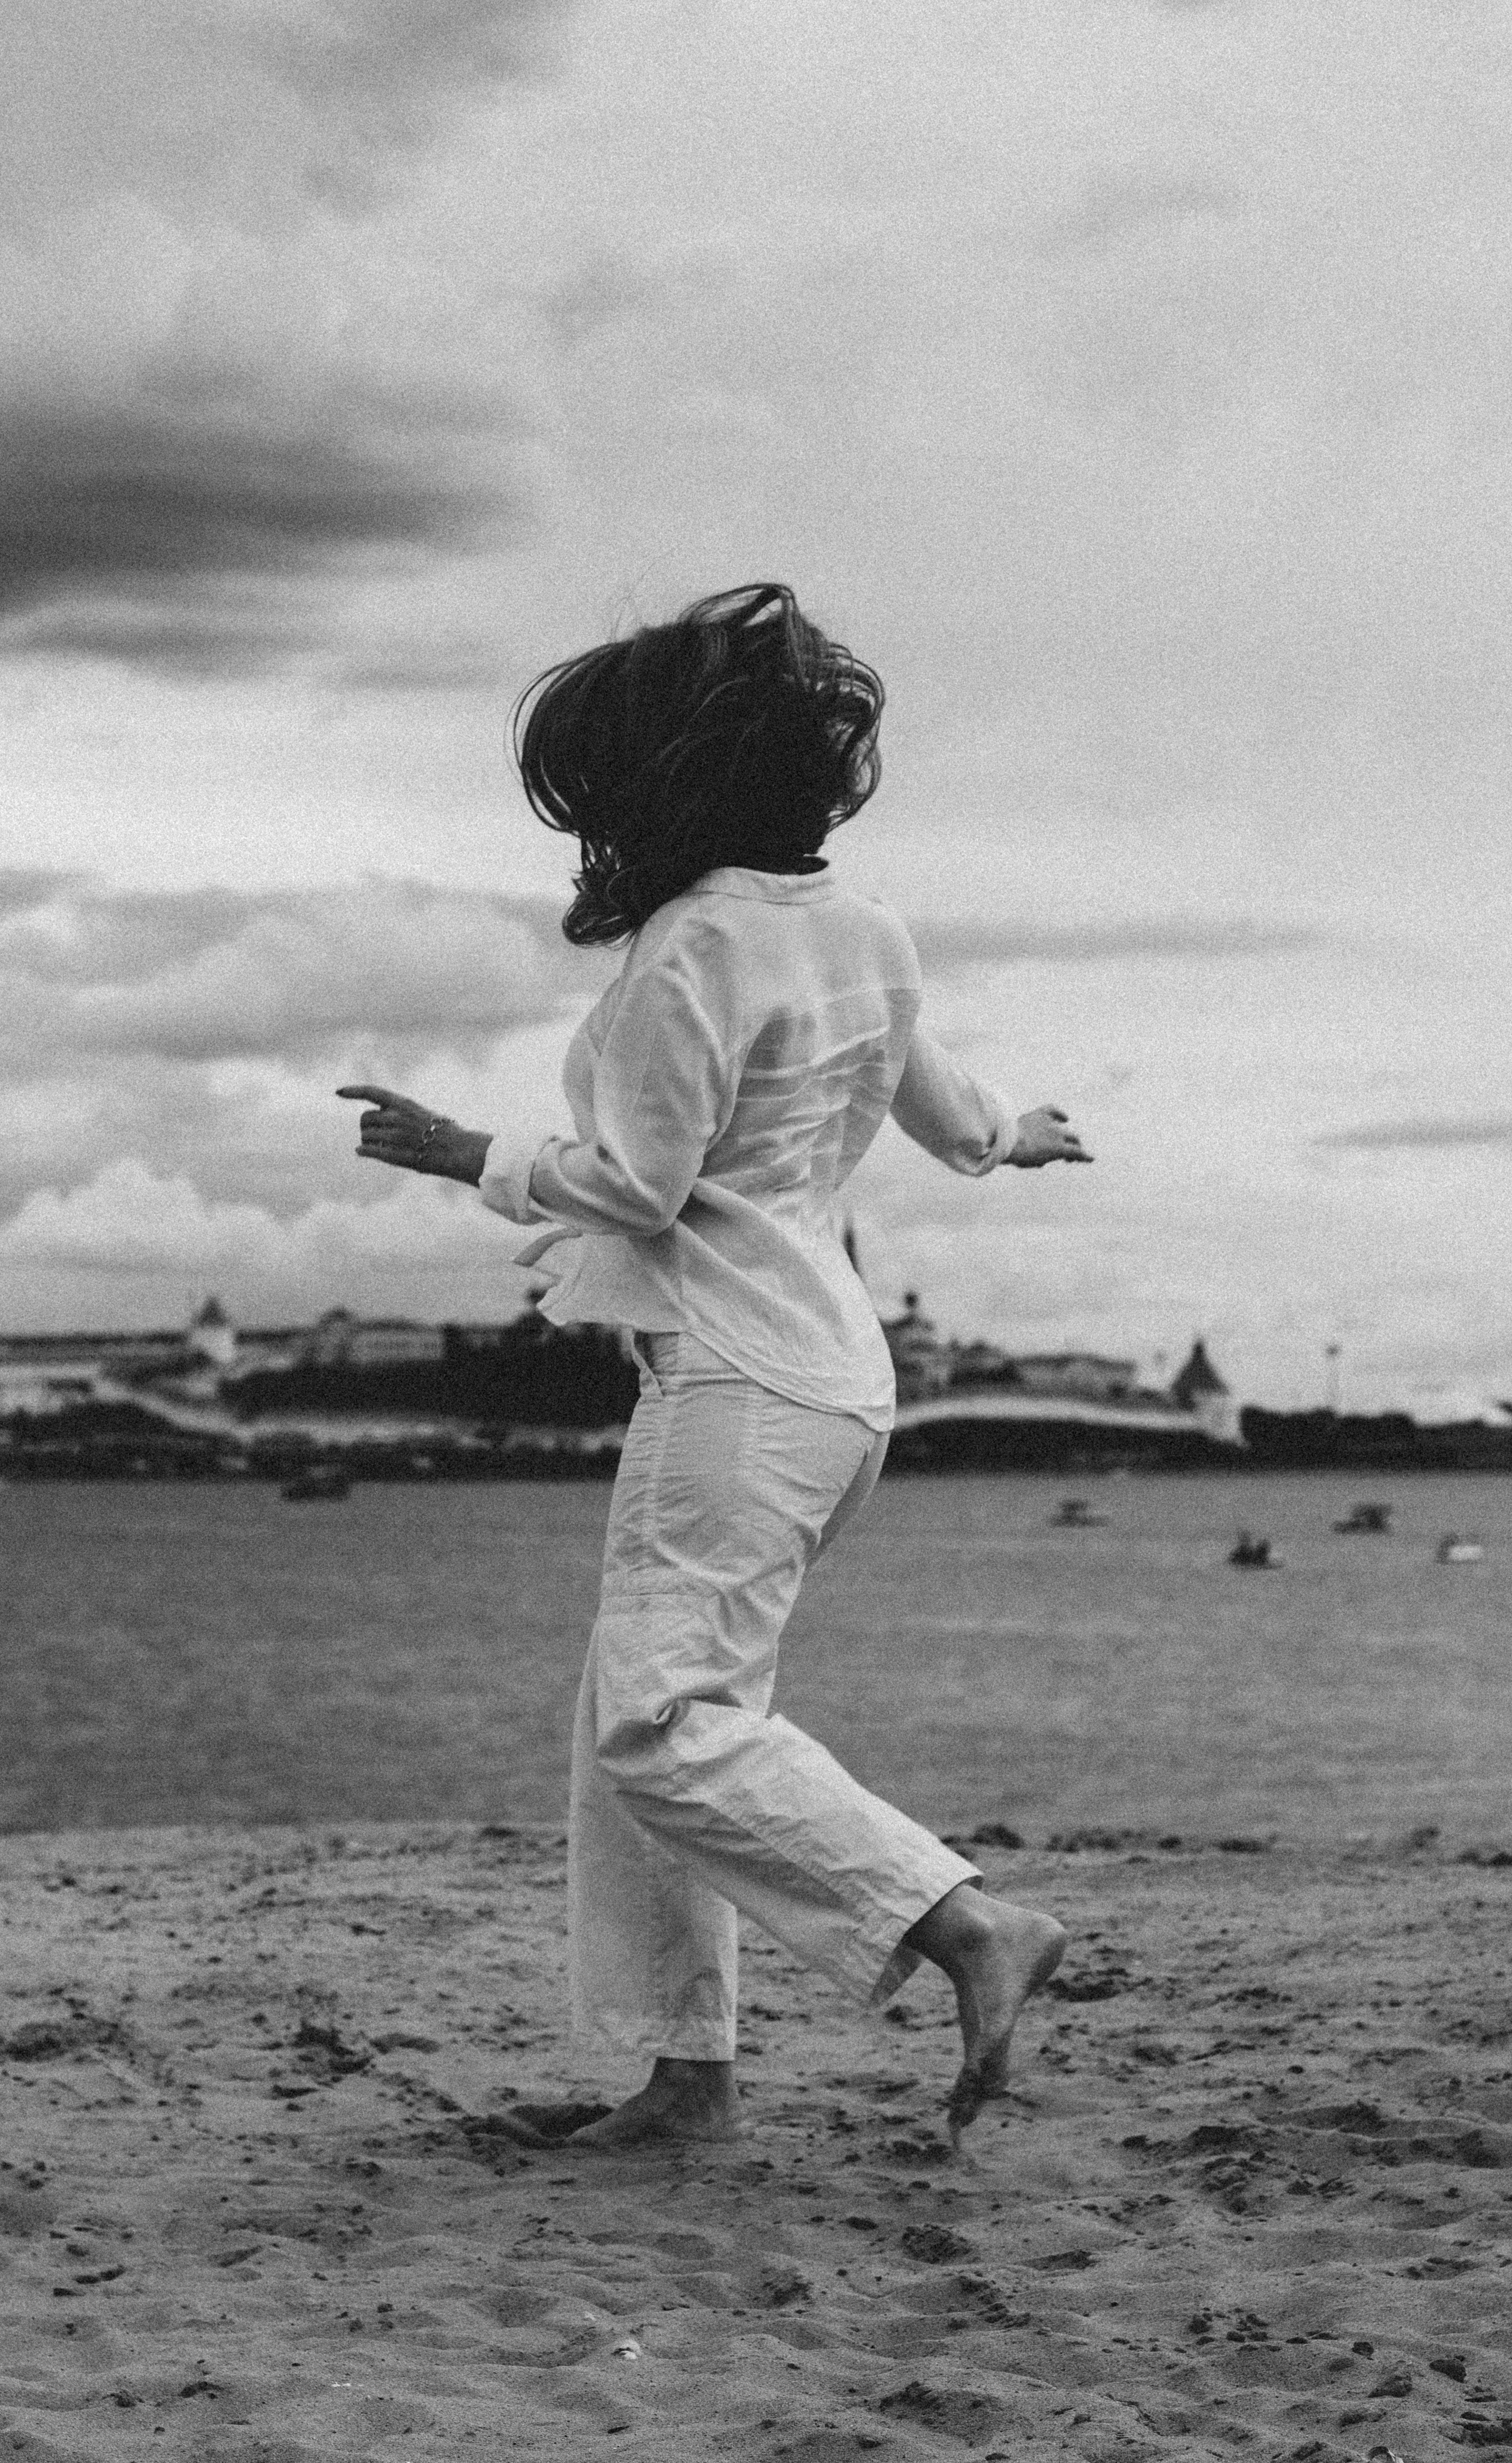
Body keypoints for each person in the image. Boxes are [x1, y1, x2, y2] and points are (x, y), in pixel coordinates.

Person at [340, 583, 1092, 2149]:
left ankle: (966, 1923)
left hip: (738, 1381)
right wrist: (1017, 1137)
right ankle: (687, 2079)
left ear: (655, 784)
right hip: (834, 1385)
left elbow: (639, 1186)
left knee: (663, 1728)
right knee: (640, 1719)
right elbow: (951, 1113)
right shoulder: (865, 932)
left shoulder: (693, 947)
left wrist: (470, 1153)